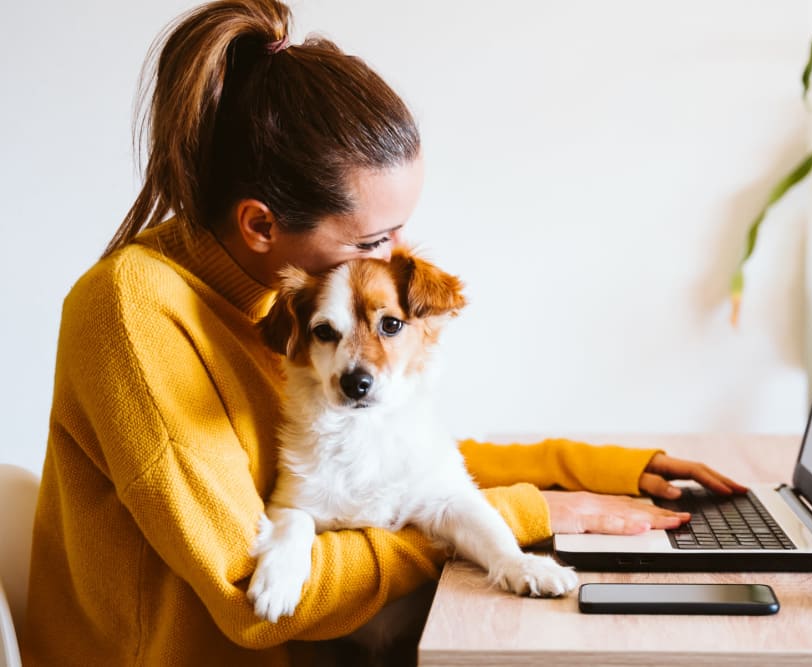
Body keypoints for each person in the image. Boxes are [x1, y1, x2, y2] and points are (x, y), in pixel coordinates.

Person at [23, 1, 746, 665]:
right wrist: (522, 514)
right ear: (260, 225)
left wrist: (592, 468)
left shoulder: (278, 305)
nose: (396, 260)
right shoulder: (135, 310)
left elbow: (386, 463)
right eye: (376, 236)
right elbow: (257, 598)